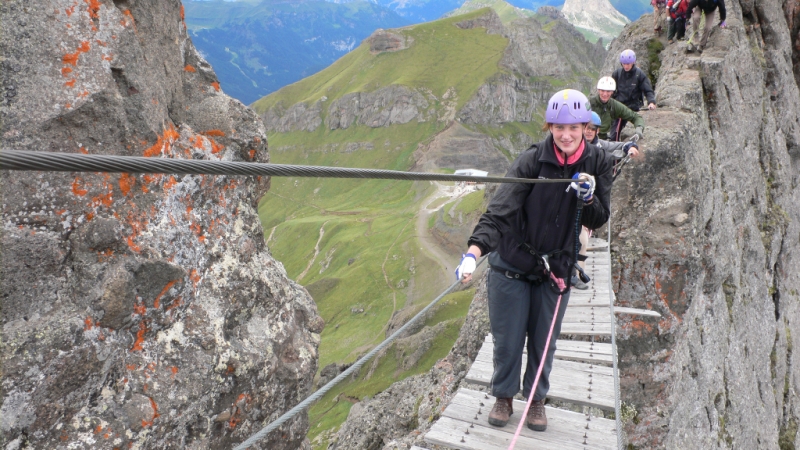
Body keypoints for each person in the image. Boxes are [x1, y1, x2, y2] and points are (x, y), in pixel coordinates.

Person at [454, 89, 612, 432]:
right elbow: (499, 213)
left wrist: (587, 199)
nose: (566, 134)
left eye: (573, 127)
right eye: (558, 127)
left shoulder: (597, 163)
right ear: (550, 127)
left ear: (586, 126)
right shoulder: (531, 161)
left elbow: (601, 217)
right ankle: (504, 396)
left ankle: (537, 400)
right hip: (512, 263)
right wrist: (472, 253)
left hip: (556, 268)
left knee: (544, 340)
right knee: (508, 339)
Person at [571, 112, 639, 289]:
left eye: (592, 129)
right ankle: (575, 273)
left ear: (597, 131)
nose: (588, 132)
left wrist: (629, 147)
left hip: (592, 200)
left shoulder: (601, 147)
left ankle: (577, 273)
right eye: (587, 128)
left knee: (582, 239)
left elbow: (620, 146)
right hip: (576, 197)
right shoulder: (575, 147)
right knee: (580, 238)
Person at [609, 50, 656, 141]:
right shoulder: (617, 74)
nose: (626, 66)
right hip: (619, 107)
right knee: (614, 134)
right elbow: (611, 90)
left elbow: (648, 90)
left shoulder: (639, 74)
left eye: (628, 64)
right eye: (624, 64)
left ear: (633, 62)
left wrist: (651, 102)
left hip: (634, 107)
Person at [590, 76, 646, 141]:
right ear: (598, 90)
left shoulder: (614, 105)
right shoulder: (589, 103)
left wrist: (639, 128)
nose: (605, 94)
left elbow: (635, 117)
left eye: (608, 91)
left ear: (612, 92)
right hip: (588, 139)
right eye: (602, 90)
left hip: (604, 141)